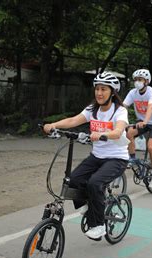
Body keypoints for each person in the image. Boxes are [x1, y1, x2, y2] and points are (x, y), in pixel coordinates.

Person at [43, 72, 129, 239]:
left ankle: (98, 225)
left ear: (112, 92)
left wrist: (104, 134)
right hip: (97, 156)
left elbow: (119, 131)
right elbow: (73, 121)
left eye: (104, 89)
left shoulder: (119, 111)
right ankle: (89, 205)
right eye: (97, 89)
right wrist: (53, 125)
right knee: (73, 180)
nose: (99, 93)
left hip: (116, 158)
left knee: (94, 183)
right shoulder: (92, 109)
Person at [124, 69, 152, 188]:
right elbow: (124, 106)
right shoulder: (133, 93)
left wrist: (145, 121)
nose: (137, 82)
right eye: (136, 80)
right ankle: (132, 159)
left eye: (140, 80)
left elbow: (151, 107)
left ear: (147, 81)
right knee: (129, 134)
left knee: (151, 146)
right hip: (142, 122)